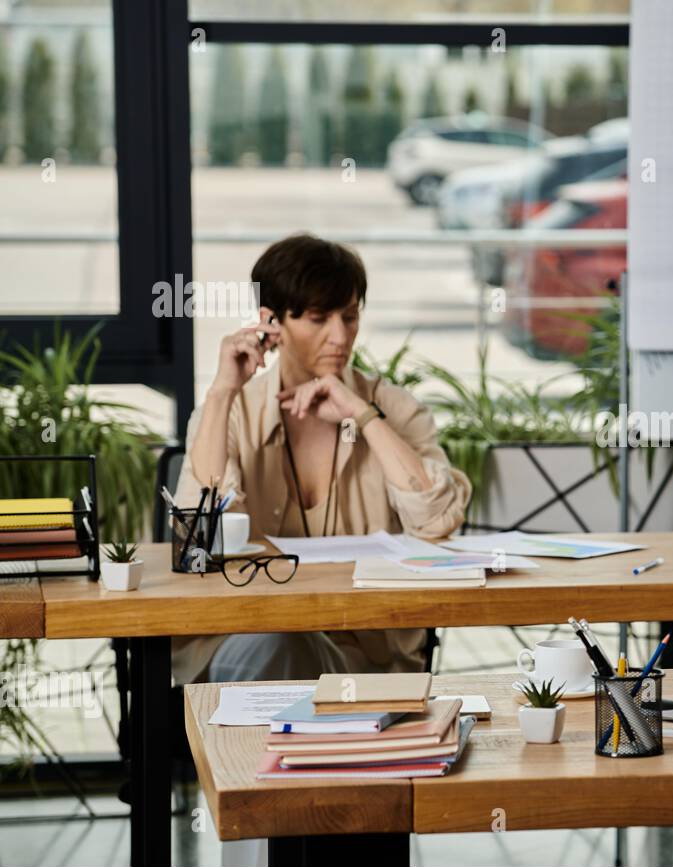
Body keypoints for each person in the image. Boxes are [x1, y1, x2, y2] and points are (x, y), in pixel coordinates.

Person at [171, 233, 472, 686]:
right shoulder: (230, 410)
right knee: (284, 644)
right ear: (270, 322)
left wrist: (363, 415)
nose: (340, 335)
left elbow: (436, 522)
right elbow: (203, 529)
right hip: (252, 638)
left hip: (366, 656)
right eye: (318, 318)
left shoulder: (393, 407)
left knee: (298, 651)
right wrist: (221, 391)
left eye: (349, 317)